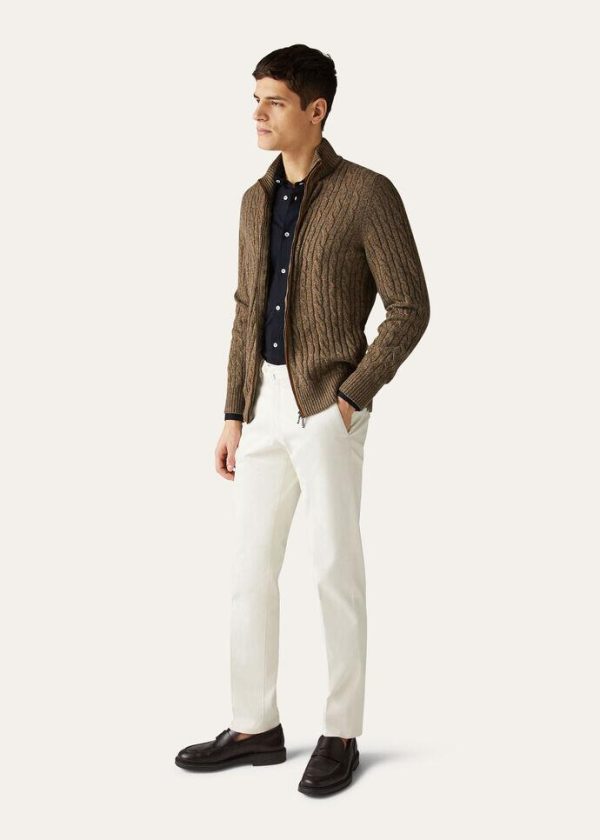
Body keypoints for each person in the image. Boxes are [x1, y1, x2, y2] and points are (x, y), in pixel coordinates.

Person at [175, 43, 430, 797]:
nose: (258, 113)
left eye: (275, 101)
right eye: (255, 98)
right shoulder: (253, 201)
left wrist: (352, 396)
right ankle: (255, 727)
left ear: (316, 111)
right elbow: (246, 309)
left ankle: (340, 731)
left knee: (332, 570)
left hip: (327, 407)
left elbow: (410, 307)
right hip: (262, 408)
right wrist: (233, 411)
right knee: (249, 570)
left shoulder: (367, 193)